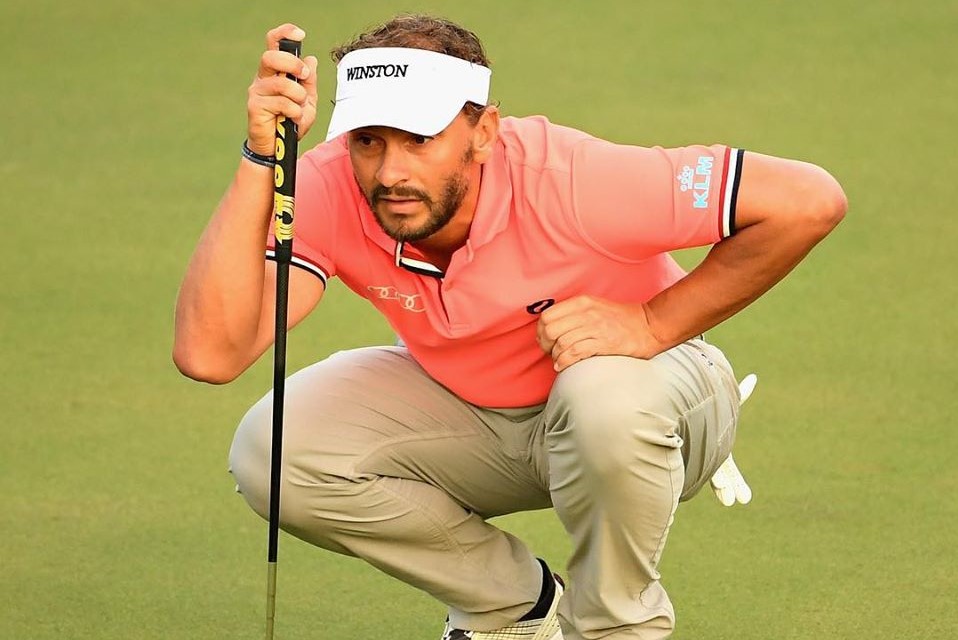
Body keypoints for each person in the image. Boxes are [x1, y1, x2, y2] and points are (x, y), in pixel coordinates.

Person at [173, 14, 846, 640]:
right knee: (273, 450)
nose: (391, 172)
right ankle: (513, 609)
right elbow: (210, 353)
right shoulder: (330, 183)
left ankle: (615, 628)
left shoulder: (574, 178)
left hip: (658, 406)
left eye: (420, 139)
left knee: (604, 399)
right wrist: (260, 161)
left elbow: (808, 200)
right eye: (369, 140)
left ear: (484, 132)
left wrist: (650, 321)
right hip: (481, 412)